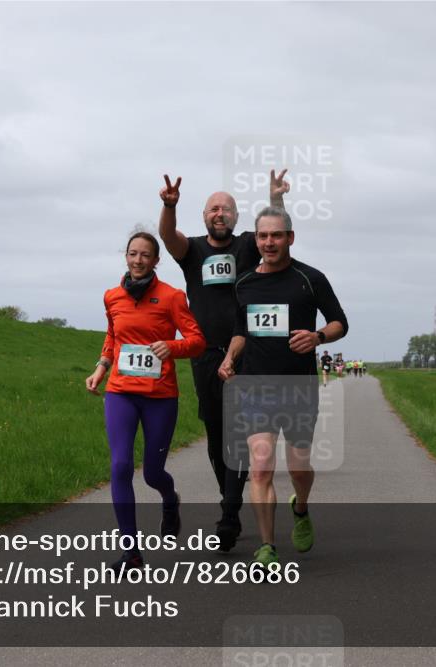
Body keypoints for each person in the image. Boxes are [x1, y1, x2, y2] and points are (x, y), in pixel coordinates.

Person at [158, 170, 288, 551]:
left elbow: (272, 231)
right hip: (204, 356)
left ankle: (229, 514)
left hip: (246, 353)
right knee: (216, 437)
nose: (220, 213)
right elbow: (168, 237)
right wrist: (169, 206)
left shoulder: (248, 246)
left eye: (227, 209)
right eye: (214, 208)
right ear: (204, 216)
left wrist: (276, 199)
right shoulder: (194, 251)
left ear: (235, 216)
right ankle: (229, 498)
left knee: (236, 433)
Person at [219, 206, 348, 567]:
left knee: (298, 468)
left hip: (298, 387)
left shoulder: (310, 279)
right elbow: (241, 331)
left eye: (277, 235)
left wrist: (318, 336)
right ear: (256, 240)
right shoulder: (244, 283)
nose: (269, 242)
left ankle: (301, 507)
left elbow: (340, 322)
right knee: (260, 465)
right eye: (263, 236)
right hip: (255, 386)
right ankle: (266, 547)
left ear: (290, 238)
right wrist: (230, 358)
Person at [86, 231, 206, 572]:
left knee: (153, 473)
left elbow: (197, 340)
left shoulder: (171, 297)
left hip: (160, 397)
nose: (138, 260)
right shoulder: (112, 296)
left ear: (156, 261)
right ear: (126, 256)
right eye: (132, 254)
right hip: (121, 392)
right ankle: (131, 553)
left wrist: (174, 347)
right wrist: (101, 367)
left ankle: (170, 500)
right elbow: (113, 336)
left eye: (145, 255)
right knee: (120, 466)